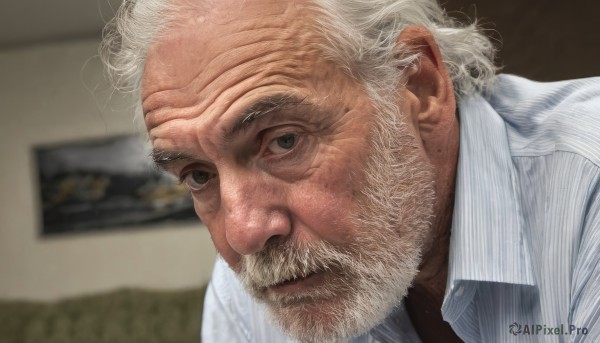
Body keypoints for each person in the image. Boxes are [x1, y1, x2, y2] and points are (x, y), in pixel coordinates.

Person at [100, 0, 600, 341]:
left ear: (418, 85)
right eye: (198, 175)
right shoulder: (251, 294)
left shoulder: (587, 183)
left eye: (283, 141)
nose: (245, 232)